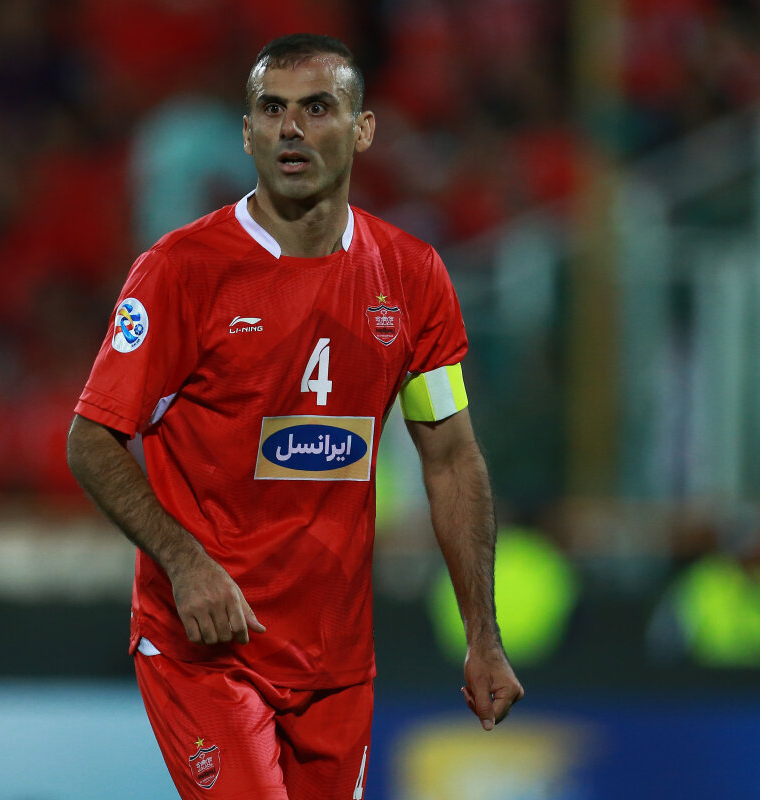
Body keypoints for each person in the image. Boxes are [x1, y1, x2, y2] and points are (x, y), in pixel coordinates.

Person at [67, 33, 523, 800]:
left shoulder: (412, 277)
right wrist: (185, 564)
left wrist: (483, 635)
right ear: (246, 133)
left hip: (334, 664)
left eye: (316, 108)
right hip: (207, 650)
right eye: (271, 110)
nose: (291, 129)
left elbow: (450, 457)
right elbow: (92, 440)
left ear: (363, 129)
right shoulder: (180, 272)